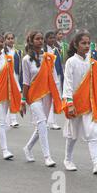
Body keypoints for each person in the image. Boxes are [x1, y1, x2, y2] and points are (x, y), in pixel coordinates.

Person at [62, 32, 97, 174]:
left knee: (91, 132)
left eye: (88, 43)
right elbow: (68, 84)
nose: (87, 46)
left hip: (89, 103)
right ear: (76, 45)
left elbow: (91, 80)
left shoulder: (91, 61)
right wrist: (69, 103)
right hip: (75, 102)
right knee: (73, 134)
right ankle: (67, 159)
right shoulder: (71, 62)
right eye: (83, 43)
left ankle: (96, 164)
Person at [21, 31, 60, 167]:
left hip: (47, 95)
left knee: (41, 126)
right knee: (42, 122)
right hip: (33, 95)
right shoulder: (26, 59)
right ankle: (47, 157)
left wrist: (57, 97)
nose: (40, 41)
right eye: (37, 39)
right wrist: (23, 100)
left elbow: (55, 79)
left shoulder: (49, 57)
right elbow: (25, 81)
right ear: (31, 41)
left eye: (41, 39)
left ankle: (28, 148)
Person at [44, 31, 64, 130]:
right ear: (46, 39)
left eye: (53, 38)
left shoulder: (56, 50)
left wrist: (61, 76)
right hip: (46, 78)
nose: (52, 40)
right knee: (47, 100)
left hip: (57, 77)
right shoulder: (43, 51)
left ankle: (53, 122)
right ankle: (46, 121)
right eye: (50, 38)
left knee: (56, 98)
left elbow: (59, 64)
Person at [4, 32, 23, 128]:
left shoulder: (18, 52)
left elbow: (20, 67)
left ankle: (13, 119)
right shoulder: (3, 52)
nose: (11, 40)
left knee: (15, 97)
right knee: (6, 100)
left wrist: (21, 80)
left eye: (12, 38)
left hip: (15, 77)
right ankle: (7, 119)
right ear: (5, 40)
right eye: (8, 38)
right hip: (5, 78)